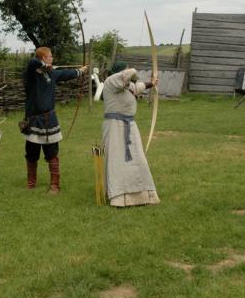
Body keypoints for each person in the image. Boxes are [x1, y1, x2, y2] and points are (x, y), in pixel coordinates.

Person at [23, 47, 87, 193]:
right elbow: (32, 62)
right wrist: (44, 65)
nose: (52, 58)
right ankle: (31, 184)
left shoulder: (51, 74)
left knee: (52, 153)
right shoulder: (31, 74)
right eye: (50, 56)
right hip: (34, 120)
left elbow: (66, 74)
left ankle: (54, 185)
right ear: (43, 58)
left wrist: (80, 71)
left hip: (49, 120)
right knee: (31, 154)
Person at [101, 62, 160, 207]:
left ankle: (143, 195)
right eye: (126, 68)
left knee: (138, 159)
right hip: (115, 127)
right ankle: (118, 196)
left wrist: (151, 83)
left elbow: (138, 87)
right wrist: (131, 71)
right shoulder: (111, 81)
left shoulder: (127, 86)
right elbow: (129, 74)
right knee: (117, 161)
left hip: (130, 126)